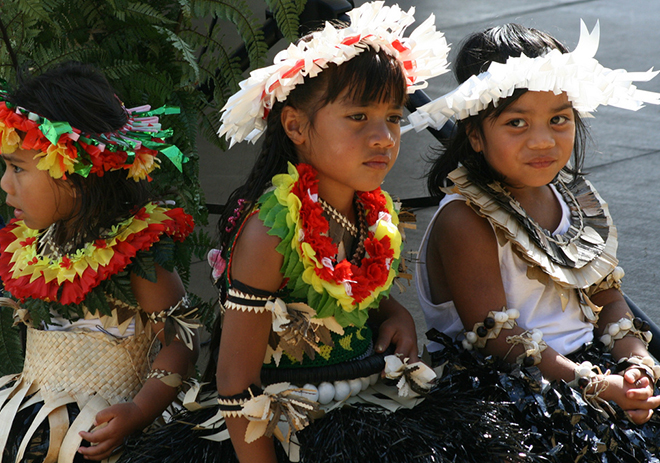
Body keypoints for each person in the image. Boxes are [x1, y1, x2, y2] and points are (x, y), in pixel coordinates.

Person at [118, 3, 528, 463]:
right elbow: (235, 379)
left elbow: (354, 297)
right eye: (358, 117)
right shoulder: (271, 231)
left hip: (368, 399)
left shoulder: (372, 210)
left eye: (393, 117)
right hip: (282, 425)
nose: (383, 137)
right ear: (294, 125)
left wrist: (395, 314)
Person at [409, 20, 660, 460]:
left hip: (591, 370)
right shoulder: (465, 218)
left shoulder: (575, 200)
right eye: (517, 123)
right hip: (508, 390)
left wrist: (637, 364)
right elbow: (496, 338)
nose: (542, 140)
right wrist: (597, 386)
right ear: (474, 135)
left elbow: (608, 299)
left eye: (558, 119)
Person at [0, 62, 200, 463]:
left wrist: (140, 411)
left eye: (17, 167)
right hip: (34, 432)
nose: (4, 183)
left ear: (72, 173)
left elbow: (182, 341)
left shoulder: (135, 256)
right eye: (5, 166)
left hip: (106, 437)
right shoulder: (35, 247)